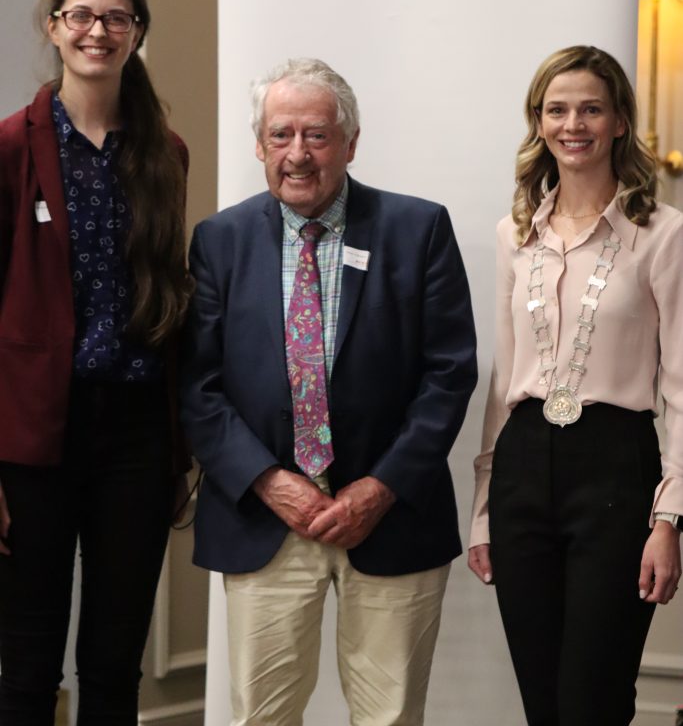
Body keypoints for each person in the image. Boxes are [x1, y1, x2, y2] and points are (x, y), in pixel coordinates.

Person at [180, 57, 477, 726]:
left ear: (350, 141)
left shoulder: (417, 229)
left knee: (389, 717)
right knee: (262, 716)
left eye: (315, 135)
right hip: (264, 520)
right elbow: (198, 385)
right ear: (258, 145)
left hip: (390, 515)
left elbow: (448, 372)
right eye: (279, 135)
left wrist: (378, 487)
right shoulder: (218, 241)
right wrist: (266, 480)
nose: (297, 154)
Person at [0, 0, 193, 725]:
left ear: (136, 32)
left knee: (114, 666)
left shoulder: (163, 154)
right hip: (34, 439)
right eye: (82, 15)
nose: (98, 31)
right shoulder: (12, 148)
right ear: (53, 27)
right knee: (28, 666)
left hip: (138, 435)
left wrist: (180, 445)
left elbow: (169, 292)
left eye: (117, 17)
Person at [468, 45, 683, 726]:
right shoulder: (515, 233)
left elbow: (679, 382)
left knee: (591, 701)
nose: (573, 124)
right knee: (541, 702)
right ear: (537, 123)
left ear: (619, 120)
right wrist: (482, 507)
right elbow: (504, 378)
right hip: (522, 471)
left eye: (590, 108)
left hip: (616, 472)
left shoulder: (663, 233)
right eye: (556, 110)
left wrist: (669, 517)